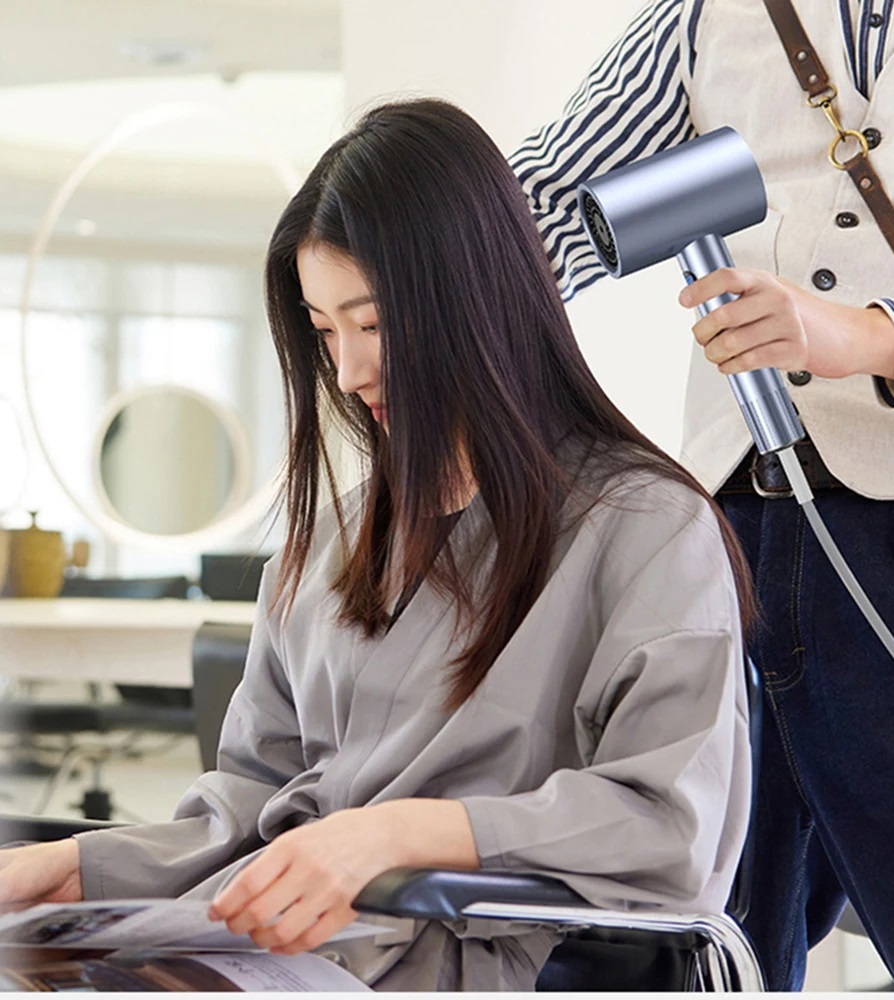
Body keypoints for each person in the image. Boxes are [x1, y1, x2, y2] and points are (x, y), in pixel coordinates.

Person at [0, 99, 755, 991]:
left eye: (374, 323)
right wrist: (80, 867)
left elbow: (669, 825)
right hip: (275, 949)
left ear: (477, 299)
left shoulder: (646, 528)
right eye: (325, 332)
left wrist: (398, 833)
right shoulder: (332, 535)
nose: (351, 373)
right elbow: (256, 795)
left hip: (468, 962)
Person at [509, 0, 894, 991]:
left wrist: (865, 336)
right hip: (727, 533)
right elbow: (538, 206)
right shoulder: (711, 14)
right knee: (663, 918)